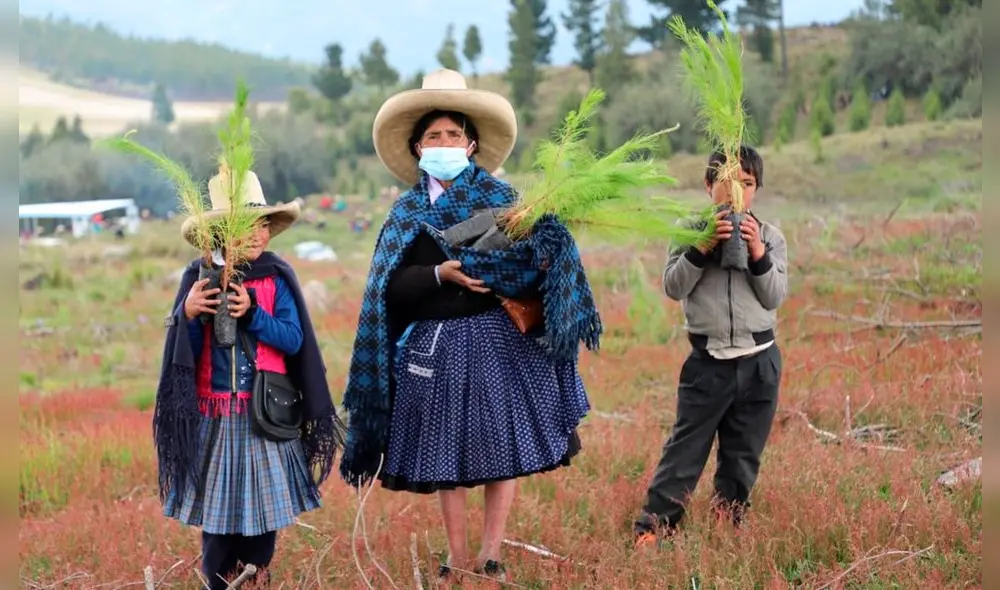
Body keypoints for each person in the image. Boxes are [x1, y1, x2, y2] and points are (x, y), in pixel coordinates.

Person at [339, 69, 600, 581]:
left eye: (452, 135)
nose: (444, 143)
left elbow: (529, 270)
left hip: (499, 343)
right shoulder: (406, 213)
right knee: (443, 458)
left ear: (472, 142)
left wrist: (543, 256)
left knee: (503, 449)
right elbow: (388, 289)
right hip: (433, 349)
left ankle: (490, 554)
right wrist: (440, 272)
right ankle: (456, 559)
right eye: (433, 136)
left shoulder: (507, 202)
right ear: (417, 148)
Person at [154, 170, 345, 588]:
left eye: (262, 225)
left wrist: (254, 314)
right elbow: (182, 350)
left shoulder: (276, 276)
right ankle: (218, 581)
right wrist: (186, 313)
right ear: (222, 232)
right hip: (215, 413)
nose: (258, 234)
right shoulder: (198, 276)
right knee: (218, 521)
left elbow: (294, 340)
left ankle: (256, 577)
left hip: (266, 412)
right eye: (246, 226)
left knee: (262, 519)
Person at [634, 145, 788, 545]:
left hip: (760, 363)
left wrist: (757, 251)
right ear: (708, 186)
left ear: (757, 190)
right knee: (685, 452)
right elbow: (673, 286)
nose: (738, 191)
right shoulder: (688, 228)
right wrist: (700, 247)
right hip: (709, 363)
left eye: (748, 183)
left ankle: (728, 526)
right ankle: (654, 528)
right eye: (728, 182)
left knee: (743, 455)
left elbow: (774, 296)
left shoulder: (771, 236)